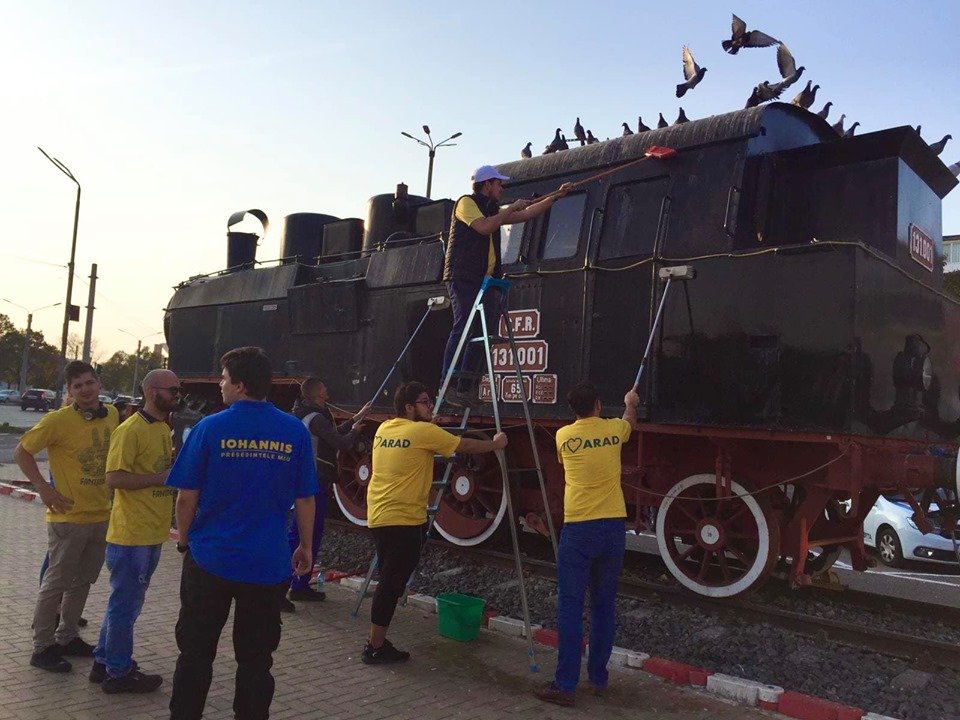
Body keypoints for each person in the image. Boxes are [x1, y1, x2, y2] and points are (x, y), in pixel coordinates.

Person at [166, 346, 318, 720]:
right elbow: (305, 499)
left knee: (196, 654)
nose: (219, 385)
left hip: (210, 560)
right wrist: (305, 548)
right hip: (267, 564)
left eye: (223, 378)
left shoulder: (209, 427)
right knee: (256, 661)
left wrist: (184, 540)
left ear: (239, 384)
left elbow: (186, 497)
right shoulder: (293, 431)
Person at [361, 381, 507, 664]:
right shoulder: (423, 431)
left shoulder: (384, 429)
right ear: (409, 407)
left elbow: (415, 439)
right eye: (425, 402)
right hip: (404, 520)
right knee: (391, 584)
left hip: (378, 515)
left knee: (389, 580)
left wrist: (429, 423)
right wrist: (495, 443)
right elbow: (462, 444)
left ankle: (376, 641)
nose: (431, 406)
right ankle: (374, 646)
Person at [534, 382, 639, 707]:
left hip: (579, 528)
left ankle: (565, 684)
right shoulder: (613, 429)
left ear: (572, 408)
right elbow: (629, 422)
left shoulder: (564, 437)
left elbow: (567, 466)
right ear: (597, 404)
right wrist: (630, 401)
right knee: (603, 605)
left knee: (570, 605)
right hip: (612, 528)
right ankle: (598, 678)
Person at [15, 361, 119, 673]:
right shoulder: (57, 420)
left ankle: (68, 636)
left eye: (89, 383)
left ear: (99, 384)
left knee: (83, 581)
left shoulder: (112, 414)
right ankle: (42, 646)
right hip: (68, 518)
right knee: (55, 584)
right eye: (78, 386)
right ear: (70, 391)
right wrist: (44, 488)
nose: (85, 390)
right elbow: (22, 452)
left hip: (101, 515)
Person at [440, 165, 571, 399]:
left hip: (484, 280)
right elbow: (484, 227)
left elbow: (527, 214)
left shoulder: (492, 209)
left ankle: (465, 387)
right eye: (499, 184)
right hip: (463, 276)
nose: (502, 188)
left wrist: (555, 196)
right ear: (487, 184)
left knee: (484, 331)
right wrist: (509, 208)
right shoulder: (465, 203)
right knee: (464, 325)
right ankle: (447, 381)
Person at [89, 369, 181, 693]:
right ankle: (119, 672)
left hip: (151, 532)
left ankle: (103, 660)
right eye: (173, 390)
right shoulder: (130, 430)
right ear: (153, 391)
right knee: (125, 605)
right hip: (131, 536)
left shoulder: (162, 428)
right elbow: (113, 478)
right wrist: (161, 478)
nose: (178, 395)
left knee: (126, 603)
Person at [283, 377, 371, 611]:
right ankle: (284, 586)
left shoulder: (307, 415)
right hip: (314, 481)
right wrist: (354, 431)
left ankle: (298, 584)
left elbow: (330, 435)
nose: (328, 392)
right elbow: (341, 443)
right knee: (304, 533)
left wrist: (355, 418)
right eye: (325, 389)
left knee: (306, 532)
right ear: (318, 395)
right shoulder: (317, 418)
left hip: (308, 479)